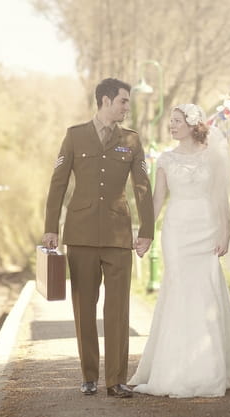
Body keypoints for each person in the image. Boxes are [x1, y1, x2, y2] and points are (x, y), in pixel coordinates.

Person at [128, 103, 230, 397]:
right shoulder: (165, 159)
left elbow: (221, 198)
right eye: (170, 121)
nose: (171, 126)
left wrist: (225, 232)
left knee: (206, 292)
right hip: (176, 231)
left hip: (206, 229)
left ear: (191, 124)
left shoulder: (211, 156)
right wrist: (144, 232)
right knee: (179, 292)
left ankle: (210, 367)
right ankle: (176, 369)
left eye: (176, 121)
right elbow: (157, 199)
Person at [42, 78, 155, 398]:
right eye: (123, 101)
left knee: (118, 310)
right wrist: (51, 227)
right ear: (105, 101)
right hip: (80, 236)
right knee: (84, 308)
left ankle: (115, 379)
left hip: (119, 236)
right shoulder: (75, 136)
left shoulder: (131, 141)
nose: (126, 107)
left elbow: (142, 187)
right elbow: (58, 184)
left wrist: (147, 231)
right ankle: (89, 375)